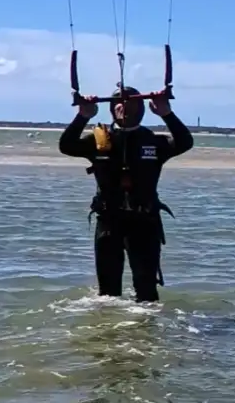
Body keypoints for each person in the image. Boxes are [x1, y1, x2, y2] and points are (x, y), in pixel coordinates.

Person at [58, 86, 194, 302]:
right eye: (118, 103)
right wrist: (83, 116)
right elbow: (66, 146)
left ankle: (146, 331)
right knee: (108, 294)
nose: (124, 106)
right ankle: (111, 334)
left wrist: (166, 112)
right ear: (111, 109)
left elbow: (185, 142)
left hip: (144, 222)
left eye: (132, 102)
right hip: (109, 223)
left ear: (143, 108)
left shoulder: (154, 141)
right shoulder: (99, 140)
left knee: (146, 290)